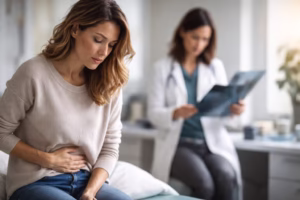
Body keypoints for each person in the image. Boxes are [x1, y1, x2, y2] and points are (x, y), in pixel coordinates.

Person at [0, 0, 135, 199]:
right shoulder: (33, 73)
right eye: (98, 40)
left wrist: (90, 192)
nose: (104, 52)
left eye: (111, 45)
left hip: (87, 182)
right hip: (35, 182)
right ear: (75, 29)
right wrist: (48, 160)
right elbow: (1, 132)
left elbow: (110, 148)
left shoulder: (110, 83)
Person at [147, 8, 244, 200]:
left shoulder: (215, 67)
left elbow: (225, 115)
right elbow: (153, 114)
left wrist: (233, 110)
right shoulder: (161, 68)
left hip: (211, 144)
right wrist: (175, 113)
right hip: (179, 145)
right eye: (195, 37)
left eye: (205, 39)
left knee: (226, 176)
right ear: (182, 32)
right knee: (204, 184)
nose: (199, 44)